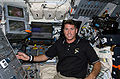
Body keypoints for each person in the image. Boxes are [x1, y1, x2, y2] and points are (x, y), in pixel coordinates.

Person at [16, 19, 101, 79]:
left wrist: (92, 76)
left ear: (76, 30)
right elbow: (46, 56)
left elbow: (97, 63)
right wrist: (29, 58)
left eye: (71, 29)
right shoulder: (59, 43)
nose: (69, 32)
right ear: (63, 31)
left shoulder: (84, 44)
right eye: (66, 29)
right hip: (60, 76)